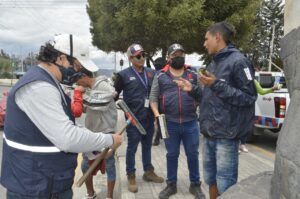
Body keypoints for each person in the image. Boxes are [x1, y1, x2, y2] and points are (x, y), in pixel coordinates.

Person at [0, 34, 122, 199]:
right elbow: (67, 138)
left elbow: (66, 125)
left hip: (46, 183)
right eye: (78, 66)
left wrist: (95, 146)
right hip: (35, 188)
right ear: (62, 58)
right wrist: (108, 140)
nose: (79, 73)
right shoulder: (39, 87)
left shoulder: (49, 83)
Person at [174, 22, 257, 198]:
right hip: (209, 133)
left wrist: (216, 84)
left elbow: (249, 97)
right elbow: (208, 95)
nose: (204, 44)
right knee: (211, 180)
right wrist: (193, 89)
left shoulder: (239, 61)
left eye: (206, 39)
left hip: (227, 136)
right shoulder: (212, 64)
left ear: (217, 37)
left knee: (225, 185)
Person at [150, 44, 205, 199]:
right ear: (168, 57)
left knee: (193, 154)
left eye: (181, 54)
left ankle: (195, 185)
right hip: (169, 123)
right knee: (171, 154)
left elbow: (202, 96)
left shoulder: (193, 74)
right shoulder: (160, 76)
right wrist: (157, 115)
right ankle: (171, 185)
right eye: (175, 55)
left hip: (191, 123)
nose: (178, 57)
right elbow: (153, 99)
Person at [114, 43, 164, 193]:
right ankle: (131, 174)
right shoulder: (122, 75)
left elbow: (157, 94)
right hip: (133, 119)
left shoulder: (151, 73)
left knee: (147, 146)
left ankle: (148, 172)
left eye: (143, 55)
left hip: (148, 118)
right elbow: (114, 96)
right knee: (132, 148)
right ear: (130, 58)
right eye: (138, 56)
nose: (142, 58)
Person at [72, 73, 118, 199]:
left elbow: (112, 94)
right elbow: (85, 109)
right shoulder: (87, 89)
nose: (78, 86)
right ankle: (91, 193)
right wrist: (80, 99)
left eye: (78, 82)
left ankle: (109, 196)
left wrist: (85, 96)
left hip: (107, 131)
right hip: (91, 132)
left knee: (109, 164)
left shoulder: (102, 84)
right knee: (85, 164)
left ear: (84, 76)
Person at [239, 79, 282, 153]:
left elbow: (261, 91)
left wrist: (272, 89)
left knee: (246, 126)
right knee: (237, 125)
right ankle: (236, 145)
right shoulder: (238, 78)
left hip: (249, 106)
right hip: (238, 105)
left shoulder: (253, 81)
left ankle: (242, 144)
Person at [152, 57, 167, 146]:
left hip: (155, 101)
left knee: (159, 120)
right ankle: (162, 137)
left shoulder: (156, 74)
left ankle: (157, 138)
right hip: (163, 101)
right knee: (162, 120)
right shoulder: (164, 73)